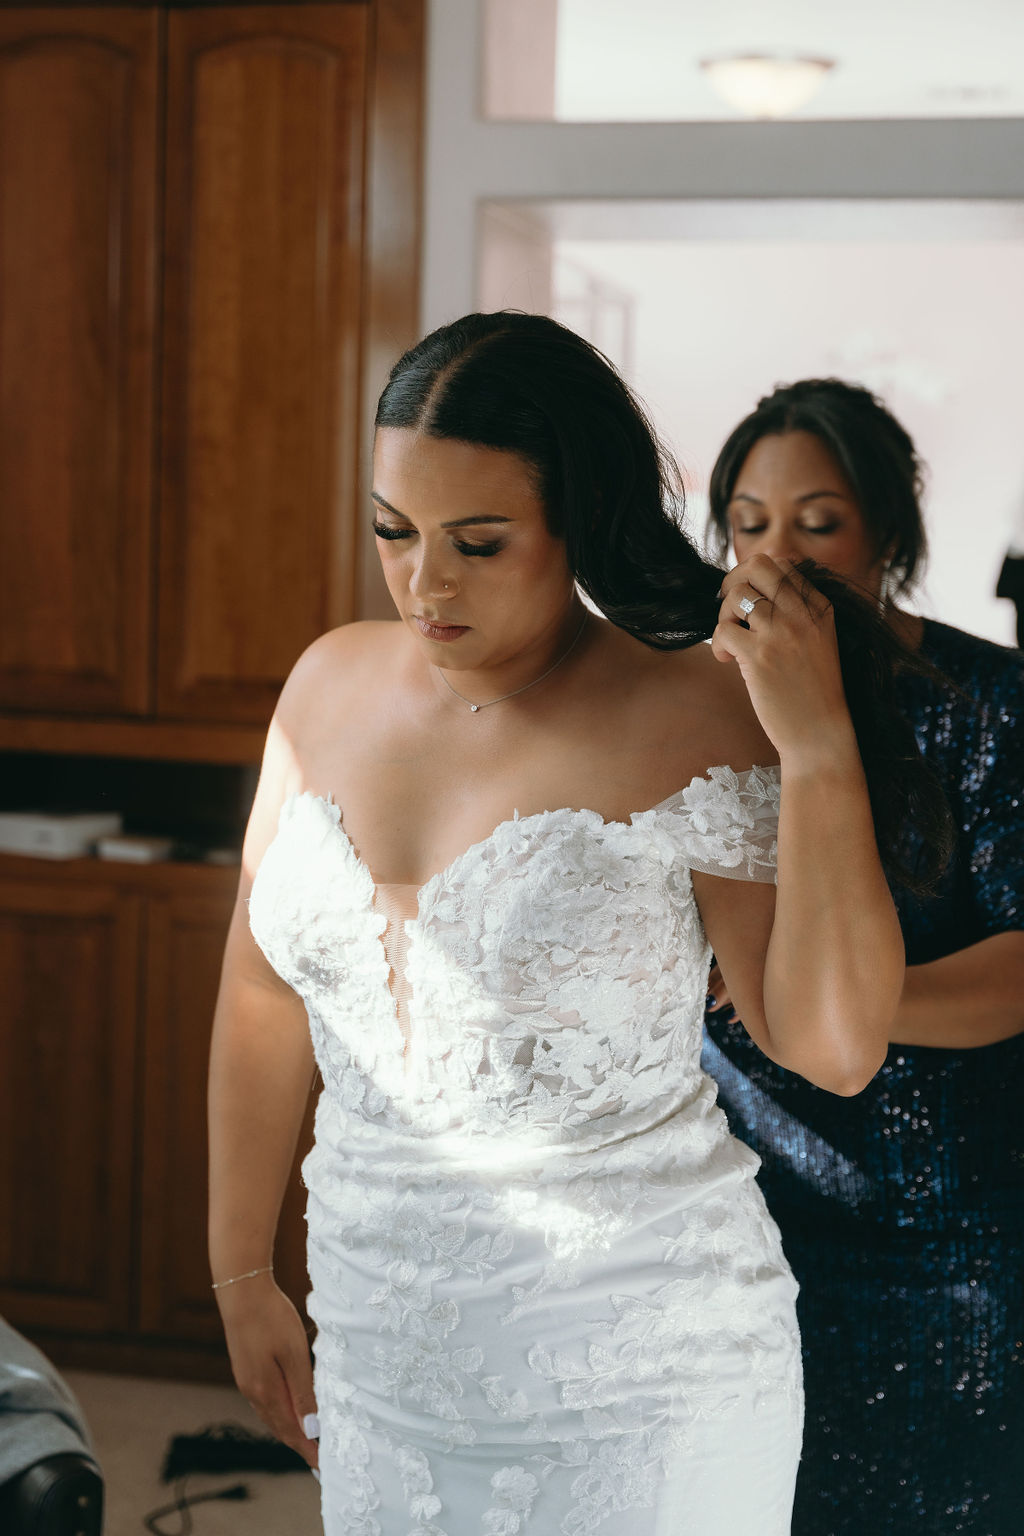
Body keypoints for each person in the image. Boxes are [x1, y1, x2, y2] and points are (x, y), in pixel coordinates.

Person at [207, 315, 931, 1536]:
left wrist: (815, 751)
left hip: (641, 1390)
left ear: (575, 525)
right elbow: (264, 992)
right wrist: (238, 1268)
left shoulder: (695, 711)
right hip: (382, 1358)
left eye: (476, 545)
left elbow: (831, 1045)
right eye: (395, 532)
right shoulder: (325, 682)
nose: (424, 584)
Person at [702, 378, 1024, 1535]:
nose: (775, 553)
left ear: (890, 530)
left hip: (951, 1232)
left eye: (816, 519)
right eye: (747, 522)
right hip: (744, 1216)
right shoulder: (704, 702)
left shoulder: (993, 705)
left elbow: (1014, 975)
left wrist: (816, 1011)